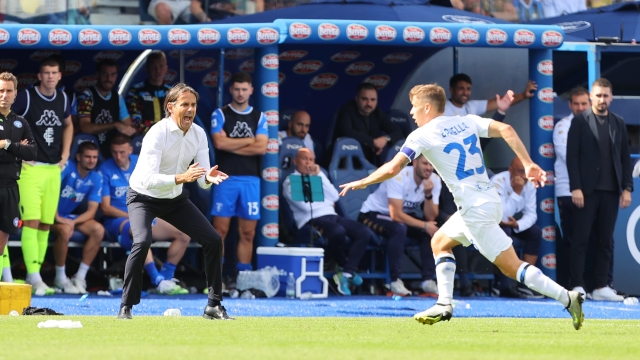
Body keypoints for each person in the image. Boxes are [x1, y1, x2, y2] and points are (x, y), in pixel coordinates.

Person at [340, 83, 584, 330]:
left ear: (427, 106)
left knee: (511, 267)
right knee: (439, 242)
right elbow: (507, 128)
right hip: (486, 201)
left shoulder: (421, 135)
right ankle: (444, 304)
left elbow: (393, 167)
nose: (411, 113)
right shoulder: (466, 121)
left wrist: (363, 181)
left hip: (475, 209)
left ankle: (567, 297)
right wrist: (528, 163)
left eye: (414, 107)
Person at [118, 83, 230, 320]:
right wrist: (182, 177)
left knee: (212, 240)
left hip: (174, 198)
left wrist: (207, 177)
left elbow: (201, 180)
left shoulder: (199, 134)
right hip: (142, 197)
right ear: (170, 107)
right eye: (185, 104)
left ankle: (213, 306)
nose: (190, 109)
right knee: (142, 241)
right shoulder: (157, 133)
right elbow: (148, 180)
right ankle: (126, 306)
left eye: (193, 105)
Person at [12, 56, 74, 295]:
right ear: (39, 76)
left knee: (46, 225)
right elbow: (6, 119)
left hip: (52, 170)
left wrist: (66, 154)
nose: (50, 76)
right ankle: (35, 277)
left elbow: (69, 124)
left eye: (54, 72)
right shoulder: (27, 96)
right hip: (31, 168)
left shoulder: (63, 97)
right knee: (32, 222)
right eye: (46, 72)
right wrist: (17, 153)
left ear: (60, 76)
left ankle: (33, 274)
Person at [566, 78, 632, 302]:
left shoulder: (619, 122)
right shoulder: (580, 122)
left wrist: (627, 188)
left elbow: (624, 158)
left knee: (606, 240)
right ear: (591, 97)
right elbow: (572, 157)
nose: (602, 99)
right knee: (581, 239)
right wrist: (576, 187)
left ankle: (601, 285)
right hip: (586, 190)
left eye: (606, 95)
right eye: (598, 95)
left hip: (611, 191)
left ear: (611, 97)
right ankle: (577, 284)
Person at [100, 134, 191, 295]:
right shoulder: (105, 169)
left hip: (144, 215)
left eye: (122, 152)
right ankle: (156, 280)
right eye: (114, 152)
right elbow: (106, 208)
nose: (118, 156)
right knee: (140, 231)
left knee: (184, 233)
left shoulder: (140, 163)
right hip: (118, 220)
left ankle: (166, 278)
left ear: (130, 149)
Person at [282, 148, 369, 295]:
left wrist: (319, 175)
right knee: (338, 232)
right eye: (304, 159)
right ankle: (343, 267)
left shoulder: (318, 176)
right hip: (311, 218)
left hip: (331, 215)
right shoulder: (290, 180)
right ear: (295, 161)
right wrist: (322, 198)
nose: (308, 163)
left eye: (311, 159)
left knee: (364, 232)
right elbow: (304, 205)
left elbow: (335, 196)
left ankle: (346, 273)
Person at [210, 72, 268, 277]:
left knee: (248, 233)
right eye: (237, 89)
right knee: (219, 232)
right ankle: (218, 279)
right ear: (231, 90)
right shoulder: (221, 114)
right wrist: (249, 140)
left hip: (250, 179)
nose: (241, 93)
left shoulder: (260, 116)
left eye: (244, 89)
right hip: (225, 178)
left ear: (251, 90)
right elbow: (218, 143)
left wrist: (230, 144)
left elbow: (262, 147)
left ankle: (244, 280)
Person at [358, 155, 442, 296]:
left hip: (402, 216)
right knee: (400, 229)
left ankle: (428, 281)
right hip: (372, 214)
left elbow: (431, 217)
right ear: (415, 163)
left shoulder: (434, 180)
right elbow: (395, 215)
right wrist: (424, 225)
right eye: (425, 163)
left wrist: (428, 195)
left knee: (429, 231)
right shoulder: (399, 176)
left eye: (431, 164)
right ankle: (395, 281)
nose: (428, 168)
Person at [50, 142, 104, 294]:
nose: (91, 160)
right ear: (78, 157)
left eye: (94, 157)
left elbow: (92, 211)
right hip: (47, 214)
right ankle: (60, 278)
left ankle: (79, 277)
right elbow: (50, 189)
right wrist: (57, 218)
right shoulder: (67, 167)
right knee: (66, 229)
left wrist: (72, 221)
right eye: (87, 156)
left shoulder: (96, 177)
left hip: (67, 217)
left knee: (98, 230)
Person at [0, 72, 37, 283]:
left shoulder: (20, 123)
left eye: (9, 91)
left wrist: (6, 145)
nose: (4, 95)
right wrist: (17, 150)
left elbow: (32, 153)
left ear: (15, 94)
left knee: (2, 242)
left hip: (12, 187)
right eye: (1, 90)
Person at [553, 87, 590, 287]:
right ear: (570, 105)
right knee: (573, 239)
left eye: (584, 103)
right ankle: (573, 284)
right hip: (568, 190)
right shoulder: (562, 126)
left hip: (593, 191)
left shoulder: (597, 124)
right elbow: (570, 157)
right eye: (576, 104)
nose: (580, 107)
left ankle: (595, 284)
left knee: (595, 239)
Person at [492, 157, 543, 298]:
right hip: (493, 223)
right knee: (505, 232)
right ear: (510, 170)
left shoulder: (530, 184)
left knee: (535, 233)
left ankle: (525, 283)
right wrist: (517, 191)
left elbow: (531, 214)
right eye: (521, 171)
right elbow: (502, 216)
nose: (524, 176)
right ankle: (501, 284)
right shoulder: (497, 181)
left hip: (513, 223)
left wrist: (518, 224)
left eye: (526, 172)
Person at [77, 59, 136, 159]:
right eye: (105, 74)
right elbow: (85, 127)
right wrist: (114, 125)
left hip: (112, 152)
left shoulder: (117, 98)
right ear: (98, 74)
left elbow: (128, 127)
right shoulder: (87, 95)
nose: (109, 78)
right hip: (89, 153)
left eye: (113, 74)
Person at [333, 82, 403, 165]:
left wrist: (385, 139)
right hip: (345, 162)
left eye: (373, 100)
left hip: (369, 161)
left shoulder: (377, 112)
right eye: (364, 99)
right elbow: (347, 132)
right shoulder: (347, 110)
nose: (369, 104)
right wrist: (373, 142)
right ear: (357, 99)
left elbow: (398, 132)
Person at [444, 73, 537, 118]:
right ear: (451, 90)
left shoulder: (471, 106)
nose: (465, 92)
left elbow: (502, 101)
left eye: (468, 89)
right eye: (461, 88)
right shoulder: (442, 107)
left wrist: (524, 95)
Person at [126, 51, 173, 136]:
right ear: (146, 68)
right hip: (143, 138)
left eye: (161, 66)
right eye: (153, 66)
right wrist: (155, 134)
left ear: (166, 69)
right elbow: (134, 120)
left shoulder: (173, 93)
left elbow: (178, 119)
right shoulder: (135, 91)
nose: (157, 70)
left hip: (169, 139)